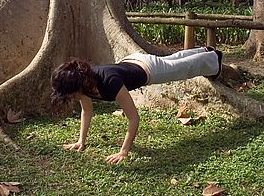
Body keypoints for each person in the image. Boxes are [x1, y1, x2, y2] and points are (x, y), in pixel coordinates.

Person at [50, 46, 223, 163]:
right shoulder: (84, 84)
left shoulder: (109, 82)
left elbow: (133, 118)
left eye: (70, 94)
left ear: (77, 86)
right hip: (132, 61)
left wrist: (124, 151)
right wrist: (81, 141)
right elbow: (87, 111)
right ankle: (204, 50)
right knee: (173, 60)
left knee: (183, 68)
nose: (71, 97)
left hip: (149, 69)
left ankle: (215, 58)